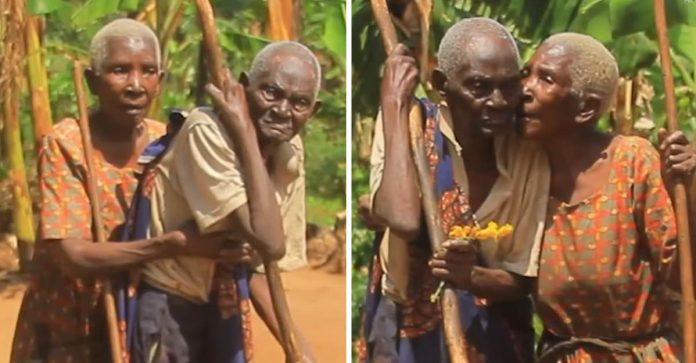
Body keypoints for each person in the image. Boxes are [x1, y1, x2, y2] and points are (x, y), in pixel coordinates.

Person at [10, 18, 231, 362]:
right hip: (67, 334)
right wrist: (169, 244)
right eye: (119, 70)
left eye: (147, 71)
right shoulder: (67, 143)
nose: (135, 85)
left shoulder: (170, 144)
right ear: (91, 80)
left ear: (161, 79)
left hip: (137, 332)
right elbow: (74, 256)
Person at [361, 18, 550, 363]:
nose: (497, 101)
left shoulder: (529, 151)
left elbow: (524, 278)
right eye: (479, 87)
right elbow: (400, 218)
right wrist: (392, 105)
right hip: (407, 330)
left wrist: (470, 276)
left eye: (508, 86)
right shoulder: (407, 123)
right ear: (441, 85)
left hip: (493, 335)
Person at [131, 41, 321, 363]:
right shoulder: (207, 131)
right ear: (244, 89)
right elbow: (270, 241)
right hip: (170, 304)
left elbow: (260, 263)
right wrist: (244, 130)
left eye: (299, 103)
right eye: (271, 93)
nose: (282, 110)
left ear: (313, 112)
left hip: (226, 304)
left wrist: (296, 344)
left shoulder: (289, 152)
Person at [520, 32, 693, 362]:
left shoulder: (632, 162)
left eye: (546, 79)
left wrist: (687, 190)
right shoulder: (524, 166)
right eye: (526, 73)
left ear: (585, 109)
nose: (526, 89)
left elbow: (682, 273)